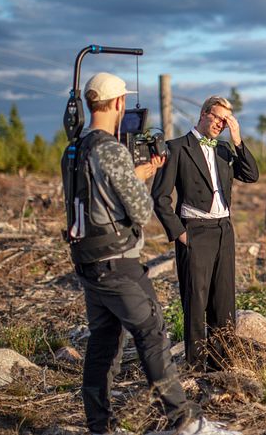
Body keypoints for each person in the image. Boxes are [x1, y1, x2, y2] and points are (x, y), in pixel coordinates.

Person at [61, 72, 200, 434]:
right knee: (151, 333)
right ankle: (183, 420)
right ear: (120, 104)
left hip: (88, 261)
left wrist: (134, 172)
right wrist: (145, 175)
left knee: (103, 342)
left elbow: (99, 196)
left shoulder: (73, 150)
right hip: (118, 262)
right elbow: (140, 211)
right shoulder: (110, 150)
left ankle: (99, 425)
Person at [151, 96, 259, 372]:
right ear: (203, 114)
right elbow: (160, 197)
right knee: (196, 300)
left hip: (224, 230)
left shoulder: (224, 149)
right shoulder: (177, 148)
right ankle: (196, 365)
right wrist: (180, 234)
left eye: (226, 121)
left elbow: (251, 174)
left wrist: (237, 140)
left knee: (224, 299)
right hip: (194, 230)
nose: (221, 124)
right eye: (218, 118)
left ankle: (221, 362)